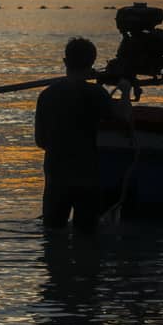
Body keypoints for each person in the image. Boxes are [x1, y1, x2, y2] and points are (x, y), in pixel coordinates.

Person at [33, 37, 131, 233]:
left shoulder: (47, 95)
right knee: (86, 235)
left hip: (56, 175)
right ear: (92, 63)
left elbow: (40, 141)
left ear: (65, 62)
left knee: (52, 234)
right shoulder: (96, 93)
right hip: (86, 175)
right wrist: (125, 91)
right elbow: (123, 116)